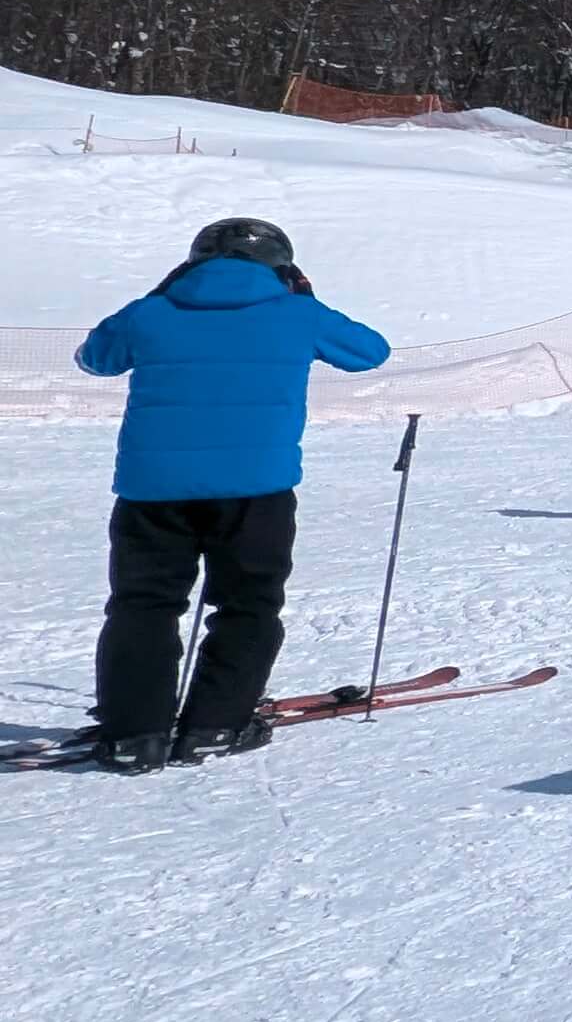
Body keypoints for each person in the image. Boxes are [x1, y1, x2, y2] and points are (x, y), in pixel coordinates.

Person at [71, 218, 391, 772]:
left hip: (152, 492)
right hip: (256, 490)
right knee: (247, 605)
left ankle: (133, 736)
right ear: (282, 267)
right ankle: (215, 726)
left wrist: (157, 296)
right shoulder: (298, 313)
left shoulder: (152, 312)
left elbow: (95, 358)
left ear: (192, 262)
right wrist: (308, 299)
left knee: (143, 607)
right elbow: (370, 353)